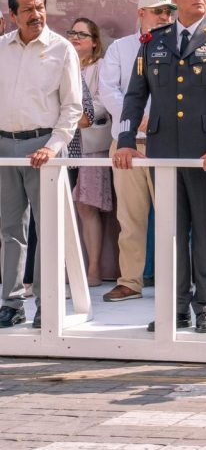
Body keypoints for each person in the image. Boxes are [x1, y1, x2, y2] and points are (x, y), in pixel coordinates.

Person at [113, 0, 206, 335]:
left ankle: (205, 307)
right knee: (170, 233)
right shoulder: (153, 41)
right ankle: (175, 308)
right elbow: (134, 96)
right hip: (163, 152)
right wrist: (125, 141)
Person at [0, 0, 83, 329]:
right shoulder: (2, 48)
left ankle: (47, 305)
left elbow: (73, 106)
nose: (36, 15)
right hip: (5, 149)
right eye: (28, 10)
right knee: (10, 230)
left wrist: (53, 146)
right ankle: (11, 303)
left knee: (48, 229)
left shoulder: (62, 48)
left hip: (43, 149)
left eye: (40, 8)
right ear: (13, 15)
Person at [97, 0, 175, 302]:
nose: (165, 17)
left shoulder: (179, 46)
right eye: (158, 11)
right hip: (127, 142)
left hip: (166, 142)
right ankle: (130, 281)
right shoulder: (120, 47)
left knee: (172, 217)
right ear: (141, 13)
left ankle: (174, 281)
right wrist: (137, 117)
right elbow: (108, 90)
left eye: (168, 11)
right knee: (129, 219)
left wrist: (156, 118)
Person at [68, 17, 112, 287]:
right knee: (62, 207)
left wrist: (79, 116)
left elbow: (103, 101)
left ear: (95, 42)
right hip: (63, 146)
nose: (75, 37)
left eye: (82, 34)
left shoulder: (101, 67)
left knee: (87, 207)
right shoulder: (62, 63)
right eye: (72, 33)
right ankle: (66, 271)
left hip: (90, 145)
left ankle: (94, 269)